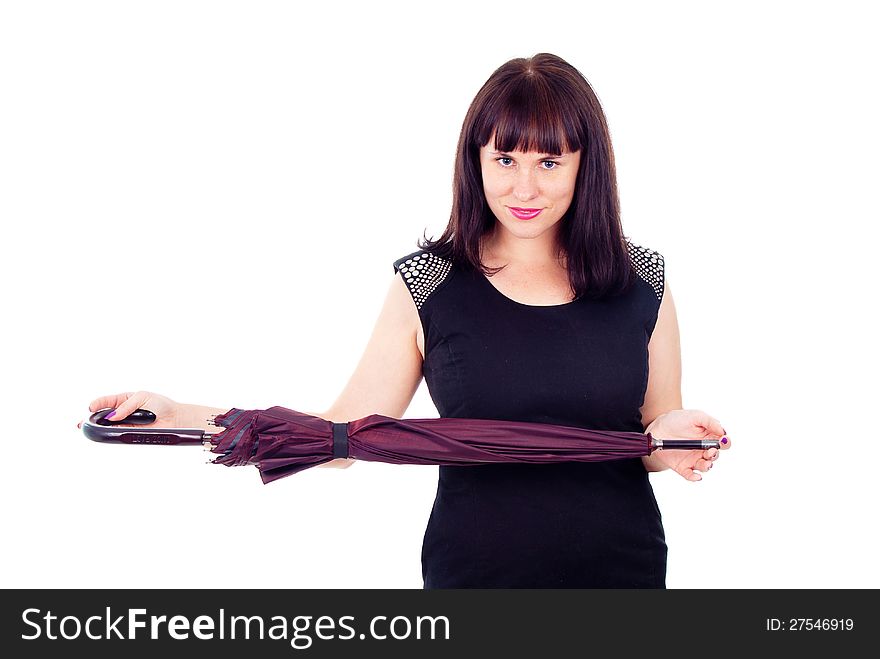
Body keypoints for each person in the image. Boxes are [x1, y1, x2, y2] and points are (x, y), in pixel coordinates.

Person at [78, 53, 731, 588]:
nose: (524, 188)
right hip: (475, 578)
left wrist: (671, 440)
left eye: (548, 162)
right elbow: (339, 438)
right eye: (505, 159)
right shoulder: (428, 282)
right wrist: (182, 413)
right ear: (475, 161)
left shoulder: (643, 280)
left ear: (586, 166)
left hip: (622, 575)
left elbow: (647, 443)